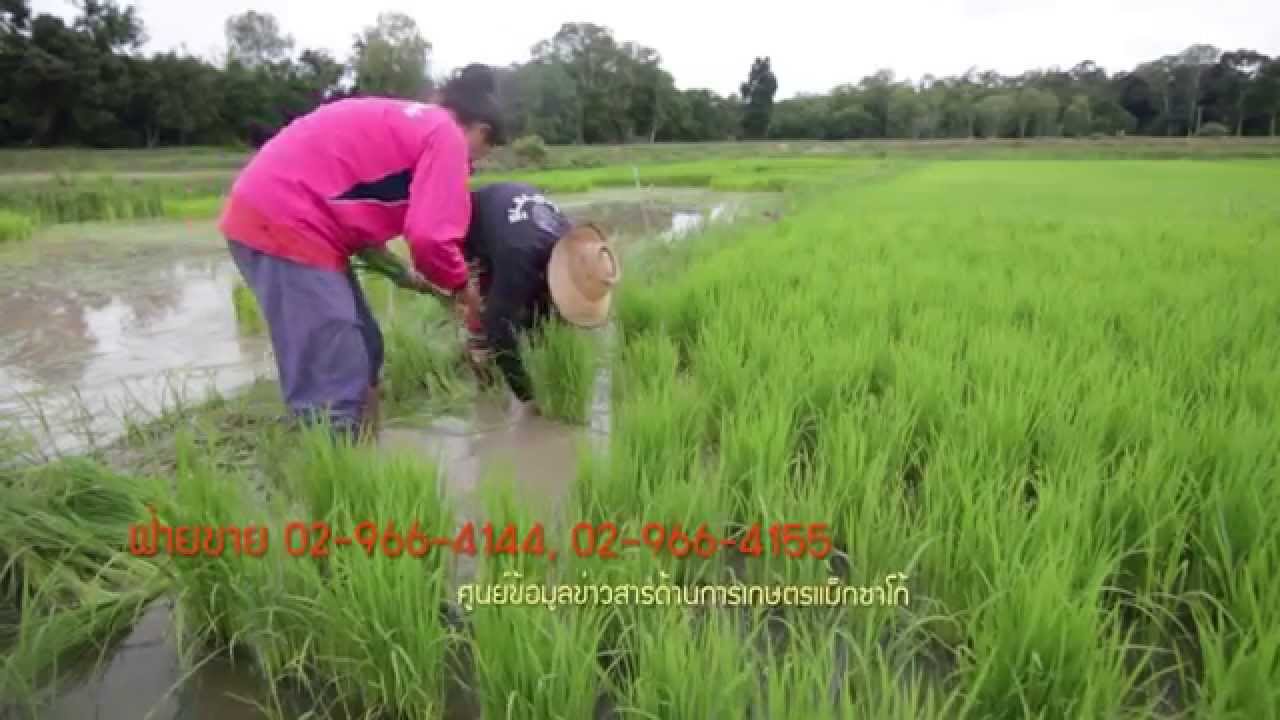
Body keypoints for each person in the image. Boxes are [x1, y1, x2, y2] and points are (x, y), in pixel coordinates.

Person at [218, 64, 506, 439]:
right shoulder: (446, 135)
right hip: (284, 222)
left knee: (366, 348)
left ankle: (367, 450)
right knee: (334, 373)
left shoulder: (411, 125)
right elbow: (430, 238)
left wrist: (408, 278)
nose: (472, 167)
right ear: (481, 131)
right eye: (481, 156)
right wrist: (460, 286)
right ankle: (338, 481)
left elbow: (359, 230)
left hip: (293, 219)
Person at [459, 182, 621, 413]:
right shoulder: (519, 258)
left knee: (539, 313)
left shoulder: (570, 242)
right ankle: (486, 388)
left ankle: (523, 361)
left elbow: (549, 307)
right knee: (486, 321)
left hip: (514, 228)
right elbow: (498, 327)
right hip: (472, 226)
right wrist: (528, 396)